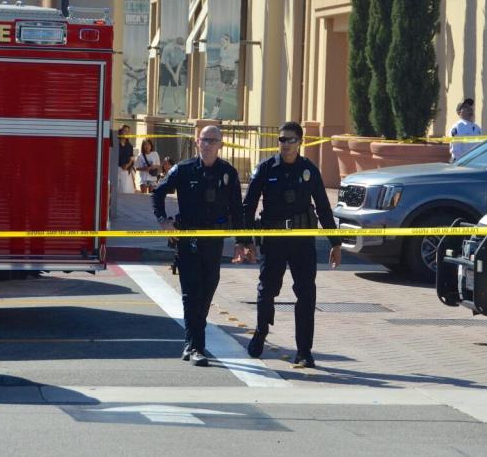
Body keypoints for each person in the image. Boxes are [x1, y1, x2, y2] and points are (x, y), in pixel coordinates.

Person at [237, 121, 342, 369]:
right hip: (273, 239)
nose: (285, 144)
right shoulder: (265, 168)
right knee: (267, 290)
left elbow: (324, 208)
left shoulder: (309, 170)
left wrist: (335, 242)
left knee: (306, 294)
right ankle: (261, 333)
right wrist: (245, 240)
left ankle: (304, 351)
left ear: (300, 142)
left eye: (290, 140)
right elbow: (248, 206)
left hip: (302, 241)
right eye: (282, 139)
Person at [152, 126, 248, 367]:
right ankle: (196, 346)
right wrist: (164, 221)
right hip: (188, 240)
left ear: (221, 145)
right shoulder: (183, 169)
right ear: (197, 142)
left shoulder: (228, 172)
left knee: (206, 292)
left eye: (212, 140)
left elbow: (237, 209)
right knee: (191, 294)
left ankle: (191, 341)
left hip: (214, 241)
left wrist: (241, 242)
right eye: (204, 140)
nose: (207, 144)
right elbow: (158, 193)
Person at [448, 98, 482, 162]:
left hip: (476, 162)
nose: (470, 109)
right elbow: (455, 150)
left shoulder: (477, 128)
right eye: (466, 107)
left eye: (470, 106)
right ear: (459, 112)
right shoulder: (457, 127)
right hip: (461, 163)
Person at [116, 124, 135, 194]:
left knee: (124, 191)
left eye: (128, 131)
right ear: (120, 132)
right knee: (115, 191)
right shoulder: (115, 144)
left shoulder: (130, 146)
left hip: (125, 171)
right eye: (125, 131)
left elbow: (132, 158)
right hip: (116, 170)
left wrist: (127, 165)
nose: (126, 133)